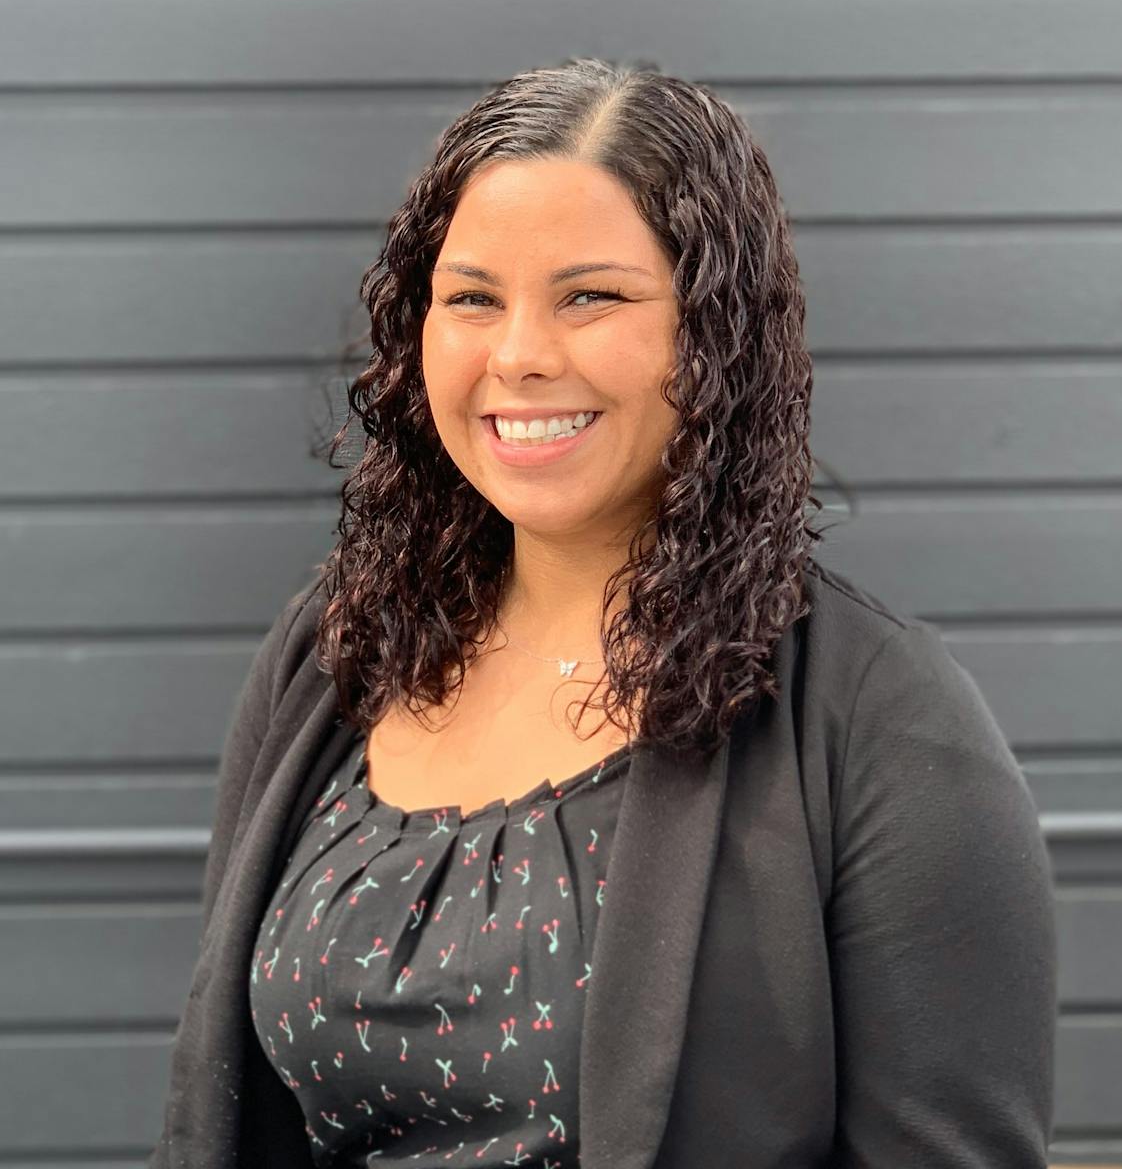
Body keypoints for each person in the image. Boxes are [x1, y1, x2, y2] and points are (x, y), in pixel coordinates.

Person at [148, 57, 1057, 1168]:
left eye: (592, 296)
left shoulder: (883, 724)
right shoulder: (335, 656)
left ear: (714, 332)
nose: (521, 355)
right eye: (472, 297)